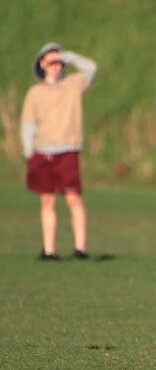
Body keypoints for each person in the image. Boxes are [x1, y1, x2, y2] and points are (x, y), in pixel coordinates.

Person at [21, 42, 97, 260]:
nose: (55, 65)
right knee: (47, 200)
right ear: (41, 64)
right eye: (50, 60)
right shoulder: (35, 92)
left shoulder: (74, 84)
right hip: (42, 152)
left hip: (68, 151)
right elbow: (28, 123)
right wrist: (29, 152)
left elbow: (91, 68)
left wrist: (70, 56)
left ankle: (80, 248)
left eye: (58, 60)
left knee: (73, 198)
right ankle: (49, 250)